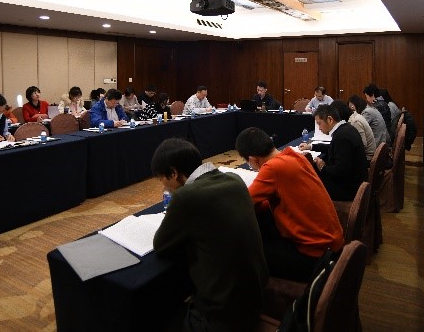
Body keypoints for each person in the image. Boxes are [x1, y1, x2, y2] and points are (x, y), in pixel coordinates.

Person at [151, 138, 267, 331]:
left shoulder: (185, 197)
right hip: (255, 300)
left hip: (221, 317)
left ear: (174, 173)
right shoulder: (235, 180)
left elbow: (161, 246)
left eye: (162, 179)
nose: (164, 186)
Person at [235, 127, 344, 282]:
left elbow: (242, 201)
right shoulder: (294, 156)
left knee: (244, 253)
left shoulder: (272, 168)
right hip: (331, 245)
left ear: (252, 160)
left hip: (315, 257)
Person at [300, 104, 368, 201]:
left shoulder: (342, 136)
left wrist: (323, 167)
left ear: (330, 119)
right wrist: (311, 146)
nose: (319, 128)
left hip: (349, 189)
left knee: (308, 183)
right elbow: (333, 148)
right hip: (355, 181)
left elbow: (341, 171)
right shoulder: (347, 128)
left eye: (319, 123)